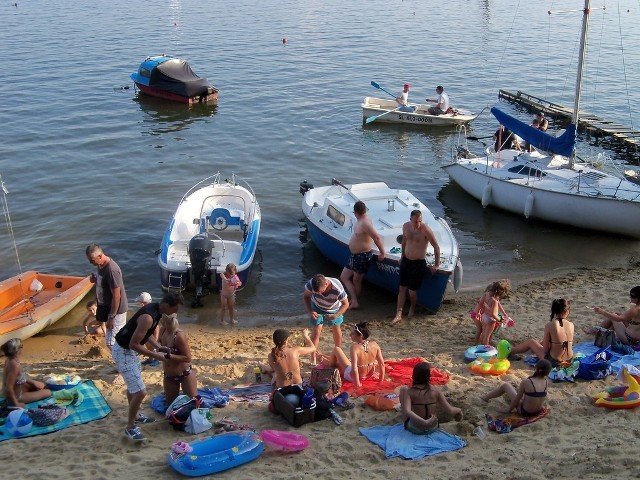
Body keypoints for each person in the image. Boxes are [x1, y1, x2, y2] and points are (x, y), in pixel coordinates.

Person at [112, 292, 182, 441]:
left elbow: (147, 334)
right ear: (167, 305)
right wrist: (158, 356)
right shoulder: (148, 317)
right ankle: (130, 427)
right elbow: (134, 344)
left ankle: (136, 416)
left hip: (129, 351)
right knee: (140, 392)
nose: (174, 313)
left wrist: (158, 347)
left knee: (134, 387)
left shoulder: (156, 311)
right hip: (124, 351)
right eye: (174, 309)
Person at [391, 210, 440, 325]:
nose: (417, 224)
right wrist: (402, 256)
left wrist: (437, 265)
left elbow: (436, 247)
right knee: (402, 288)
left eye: (420, 221)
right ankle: (398, 314)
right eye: (415, 221)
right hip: (406, 261)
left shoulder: (425, 230)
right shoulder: (406, 226)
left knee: (412, 292)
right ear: (410, 219)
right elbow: (404, 242)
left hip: (418, 263)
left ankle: (413, 307)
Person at [339, 200, 385, 310]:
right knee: (344, 277)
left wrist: (382, 252)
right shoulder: (361, 220)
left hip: (362, 255)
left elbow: (376, 238)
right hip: (354, 255)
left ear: (356, 212)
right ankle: (354, 299)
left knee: (356, 280)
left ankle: (355, 301)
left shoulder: (365, 223)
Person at [85, 244, 128, 351]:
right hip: (106, 307)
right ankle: (122, 363)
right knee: (116, 340)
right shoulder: (100, 265)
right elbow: (105, 284)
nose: (91, 263)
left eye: (92, 260)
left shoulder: (112, 270)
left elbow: (117, 295)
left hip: (116, 311)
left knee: (111, 342)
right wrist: (96, 280)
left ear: (100, 256)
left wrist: (112, 317)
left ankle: (124, 363)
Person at [399, 361, 462, 434]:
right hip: (433, 427)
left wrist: (425, 422)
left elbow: (407, 411)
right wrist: (459, 410)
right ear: (428, 376)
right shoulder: (436, 390)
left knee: (403, 389)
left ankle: (405, 422)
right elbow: (450, 410)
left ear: (414, 375)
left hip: (416, 428)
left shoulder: (409, 391)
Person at [320, 321, 385, 388]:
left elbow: (354, 369)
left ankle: (324, 360)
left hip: (354, 376)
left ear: (361, 336)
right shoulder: (375, 344)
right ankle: (325, 358)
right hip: (369, 375)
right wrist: (381, 380)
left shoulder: (354, 348)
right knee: (342, 361)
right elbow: (382, 364)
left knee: (336, 349)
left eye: (353, 334)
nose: (350, 335)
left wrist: (357, 384)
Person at [510, 299, 575, 366]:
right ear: (567, 311)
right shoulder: (571, 325)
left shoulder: (550, 325)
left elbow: (545, 350)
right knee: (542, 343)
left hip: (554, 362)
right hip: (569, 360)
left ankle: (509, 351)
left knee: (531, 342)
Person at [303, 274, 349, 364]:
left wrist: (336, 315)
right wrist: (310, 311)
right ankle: (313, 356)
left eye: (321, 291)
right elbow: (306, 296)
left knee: (336, 328)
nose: (319, 294)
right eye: (316, 293)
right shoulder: (311, 285)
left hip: (334, 309)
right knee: (316, 331)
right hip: (316, 307)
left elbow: (345, 304)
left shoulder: (337, 288)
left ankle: (338, 352)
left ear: (326, 284)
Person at [481, 359, 552, 416]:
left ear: (537, 368)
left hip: (525, 412)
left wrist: (508, 410)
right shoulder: (546, 382)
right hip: (537, 411)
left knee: (506, 385)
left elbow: (516, 399)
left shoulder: (527, 382)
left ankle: (485, 398)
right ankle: (486, 397)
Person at [158, 312, 197, 406]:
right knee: (171, 406)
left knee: (193, 404)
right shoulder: (163, 330)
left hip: (185, 374)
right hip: (168, 375)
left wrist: (170, 356)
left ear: (163, 321)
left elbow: (188, 358)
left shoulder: (179, 335)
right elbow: (157, 344)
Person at [1, 338, 52, 408]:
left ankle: (31, 388)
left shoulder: (10, 360)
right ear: (17, 350)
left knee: (42, 385)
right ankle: (18, 399)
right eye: (21, 347)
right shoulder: (14, 365)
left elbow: (17, 377)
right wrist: (17, 404)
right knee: (48, 392)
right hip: (17, 396)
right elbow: (8, 388)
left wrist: (33, 382)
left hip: (18, 387)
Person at [472, 280, 511, 346]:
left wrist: (477, 312)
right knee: (487, 336)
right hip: (491, 320)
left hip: (484, 317)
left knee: (484, 333)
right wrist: (500, 320)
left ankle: (481, 345)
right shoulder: (494, 301)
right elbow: (493, 314)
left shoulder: (486, 294)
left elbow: (480, 303)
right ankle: (485, 348)